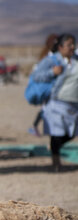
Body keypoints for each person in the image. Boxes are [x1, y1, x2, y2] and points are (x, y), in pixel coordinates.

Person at [33, 33, 77, 172]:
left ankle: (54, 150)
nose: (72, 47)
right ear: (60, 47)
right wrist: (52, 72)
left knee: (72, 133)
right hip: (56, 102)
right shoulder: (52, 60)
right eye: (69, 45)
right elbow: (36, 76)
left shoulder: (76, 60)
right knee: (56, 133)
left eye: (73, 44)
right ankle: (56, 162)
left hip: (74, 104)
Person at [28, 33, 58, 137]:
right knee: (47, 111)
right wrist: (52, 73)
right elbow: (36, 75)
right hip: (49, 90)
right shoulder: (47, 58)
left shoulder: (58, 57)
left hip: (57, 91)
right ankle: (36, 127)